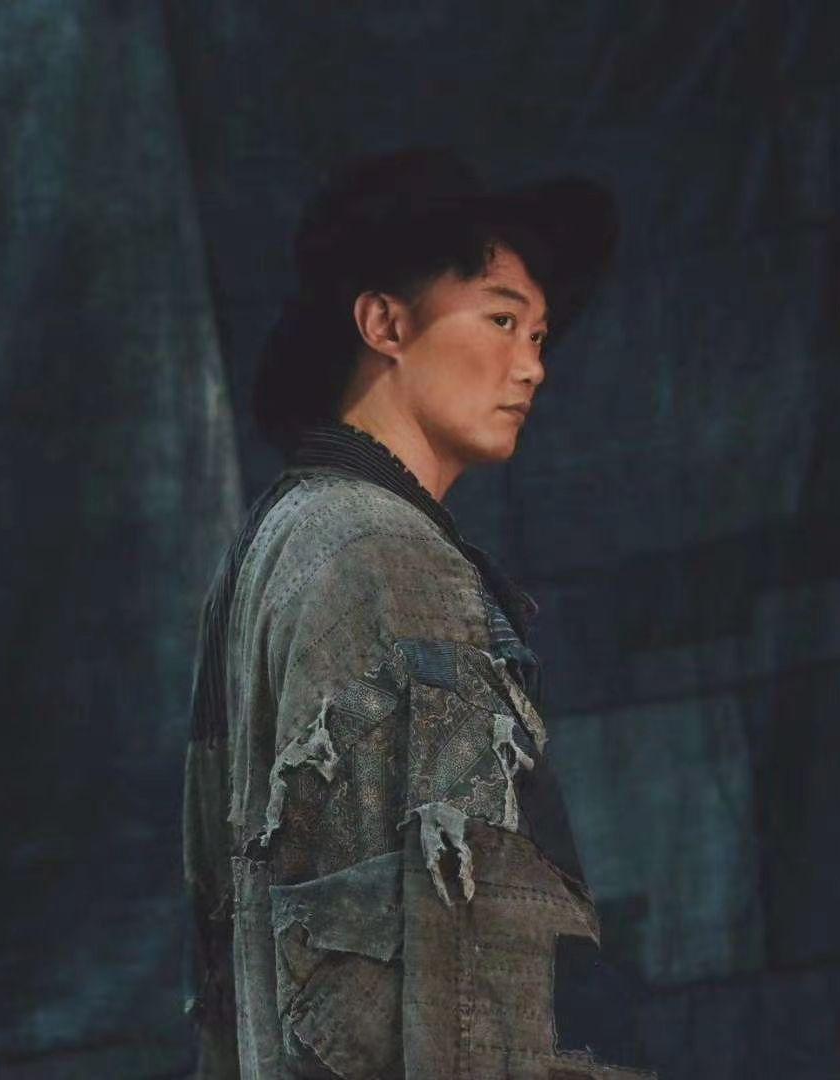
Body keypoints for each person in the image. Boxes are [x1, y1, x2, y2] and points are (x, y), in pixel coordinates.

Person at [182, 147, 655, 1079]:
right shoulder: (387, 557)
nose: (532, 365)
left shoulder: (282, 538)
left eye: (540, 336)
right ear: (385, 323)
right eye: (502, 319)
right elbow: (461, 966)